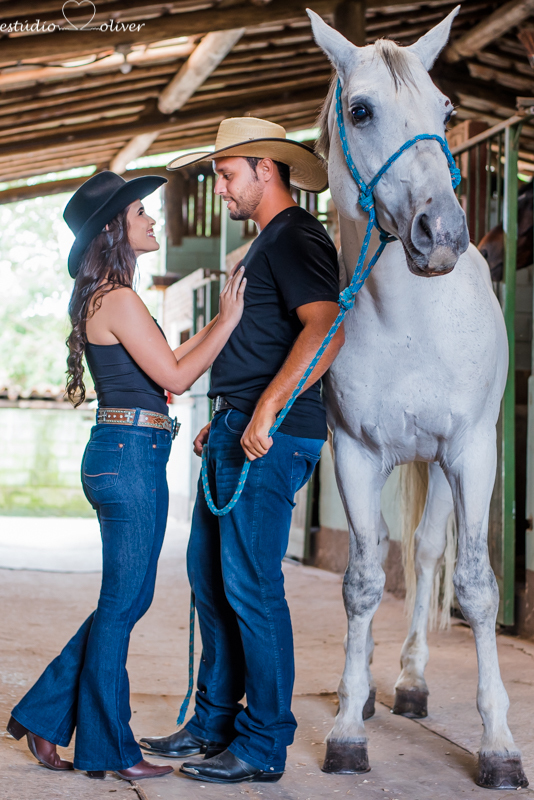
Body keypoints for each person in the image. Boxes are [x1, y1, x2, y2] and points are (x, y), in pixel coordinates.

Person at [6, 170, 246, 782]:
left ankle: (43, 713)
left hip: (129, 448)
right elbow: (177, 376)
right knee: (122, 605)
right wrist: (226, 320)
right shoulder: (116, 297)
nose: (151, 220)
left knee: (125, 601)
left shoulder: (111, 296)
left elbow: (164, 374)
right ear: (114, 227)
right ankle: (110, 748)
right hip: (129, 452)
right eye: (141, 212)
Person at [140, 118, 344, 783]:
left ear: (265, 168)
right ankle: (212, 724)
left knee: (252, 589)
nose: (221, 187)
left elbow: (328, 327)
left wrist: (264, 408)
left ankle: (262, 745)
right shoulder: (264, 244)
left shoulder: (295, 235)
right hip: (239, 428)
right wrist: (228, 412)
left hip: (273, 433)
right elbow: (262, 340)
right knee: (212, 583)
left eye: (227, 174)